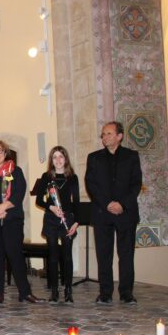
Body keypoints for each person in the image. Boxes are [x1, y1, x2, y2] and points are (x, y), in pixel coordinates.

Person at [0, 139, 44, 304]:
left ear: (5, 154)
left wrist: (3, 207)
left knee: (15, 255)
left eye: (0, 151)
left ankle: (25, 293)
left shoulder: (15, 172)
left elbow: (18, 194)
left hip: (12, 219)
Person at [85, 121, 142, 305]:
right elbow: (91, 185)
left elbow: (136, 184)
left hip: (126, 213)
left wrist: (122, 205)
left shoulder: (131, 156)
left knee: (126, 255)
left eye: (109, 133)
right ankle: (105, 293)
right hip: (102, 212)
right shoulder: (93, 158)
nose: (105, 137)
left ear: (120, 136)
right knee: (104, 255)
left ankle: (126, 293)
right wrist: (108, 203)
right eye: (103, 134)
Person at [35, 146, 80, 304]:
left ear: (65, 159)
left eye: (61, 156)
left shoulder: (72, 178)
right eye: (55, 157)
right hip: (51, 219)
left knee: (67, 256)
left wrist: (76, 222)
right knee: (53, 256)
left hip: (67, 219)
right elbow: (39, 200)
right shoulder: (46, 176)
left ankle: (68, 290)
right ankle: (54, 291)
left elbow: (77, 202)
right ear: (51, 160)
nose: (58, 160)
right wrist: (51, 207)